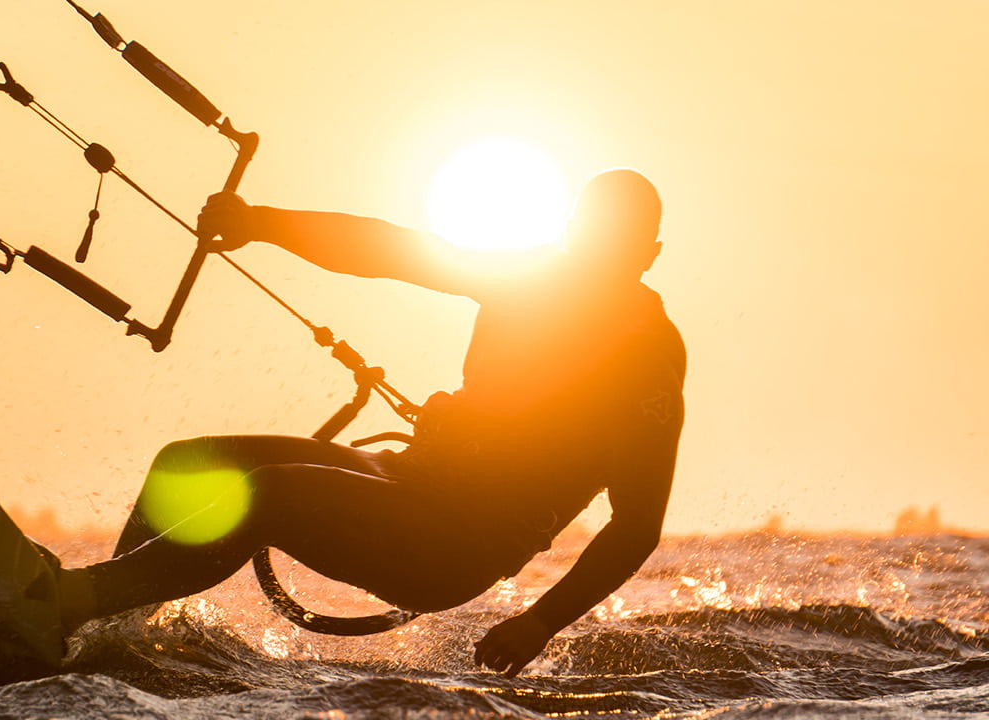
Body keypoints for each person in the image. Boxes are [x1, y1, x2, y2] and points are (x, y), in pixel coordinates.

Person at [53, 168, 687, 677]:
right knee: (188, 462)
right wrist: (261, 223)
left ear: (647, 254)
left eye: (618, 240)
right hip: (415, 477)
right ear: (573, 230)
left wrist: (539, 623)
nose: (596, 252)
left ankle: (69, 600)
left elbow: (637, 525)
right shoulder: (528, 276)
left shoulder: (648, 354)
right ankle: (102, 633)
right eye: (589, 232)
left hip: (459, 542)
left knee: (268, 494)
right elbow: (392, 249)